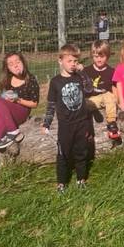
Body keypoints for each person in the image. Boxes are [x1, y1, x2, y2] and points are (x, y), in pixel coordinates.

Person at [0, 52, 39, 194]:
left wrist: (17, 99)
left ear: (23, 62)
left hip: (21, 111)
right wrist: (6, 97)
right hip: (6, 115)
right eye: (11, 63)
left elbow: (34, 103)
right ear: (7, 67)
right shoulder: (5, 82)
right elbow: (0, 99)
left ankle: (14, 131)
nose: (15, 64)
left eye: (17, 61)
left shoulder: (30, 79)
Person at [42, 44, 94, 192]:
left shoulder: (79, 78)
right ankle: (61, 182)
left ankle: (81, 179)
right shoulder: (55, 82)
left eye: (75, 61)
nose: (73, 64)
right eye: (69, 61)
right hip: (65, 125)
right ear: (60, 60)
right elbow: (51, 105)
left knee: (81, 151)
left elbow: (89, 89)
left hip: (82, 122)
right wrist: (47, 123)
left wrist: (83, 73)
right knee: (63, 152)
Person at [84, 40, 122, 147]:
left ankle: (112, 125)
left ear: (108, 56)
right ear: (92, 56)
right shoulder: (86, 71)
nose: (99, 59)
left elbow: (114, 87)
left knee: (109, 96)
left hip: (105, 99)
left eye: (102, 56)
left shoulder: (111, 71)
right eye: (96, 56)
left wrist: (118, 101)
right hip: (91, 100)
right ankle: (85, 130)